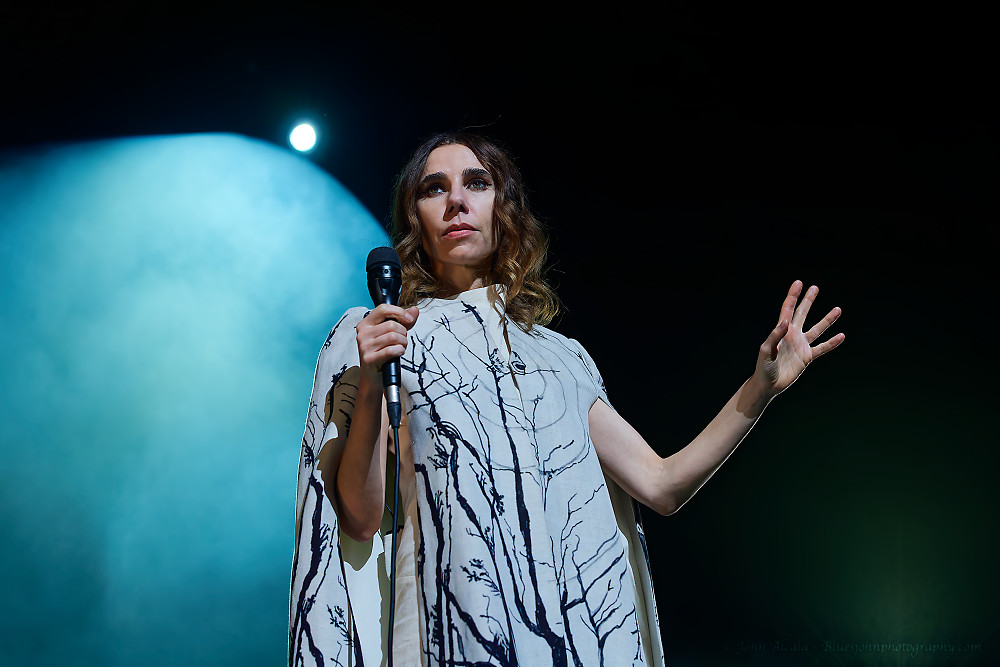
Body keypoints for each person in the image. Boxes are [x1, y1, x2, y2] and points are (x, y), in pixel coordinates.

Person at [288, 131, 845, 667]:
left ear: (504, 210)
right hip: (451, 634)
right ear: (415, 220)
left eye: (476, 183)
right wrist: (368, 384)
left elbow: (662, 485)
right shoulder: (386, 335)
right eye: (434, 189)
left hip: (567, 642)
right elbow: (359, 520)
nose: (456, 200)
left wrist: (761, 388)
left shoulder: (561, 358)